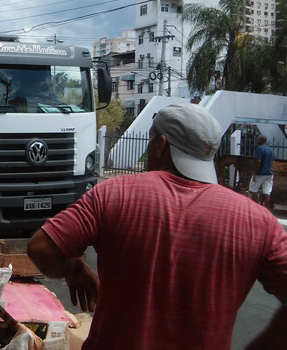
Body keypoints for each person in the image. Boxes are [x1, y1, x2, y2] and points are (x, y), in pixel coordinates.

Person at [27, 103, 287, 349]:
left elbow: (41, 248)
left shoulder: (115, 194)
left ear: (160, 146)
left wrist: (73, 266)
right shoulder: (258, 221)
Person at [250, 134, 275, 208]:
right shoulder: (271, 149)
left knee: (253, 190)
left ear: (261, 141)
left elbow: (258, 161)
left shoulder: (259, 149)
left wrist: (255, 173)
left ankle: (257, 208)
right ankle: (266, 210)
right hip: (269, 174)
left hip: (260, 173)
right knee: (267, 192)